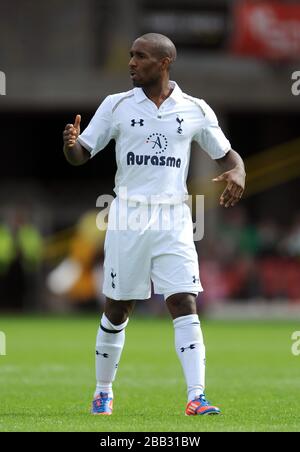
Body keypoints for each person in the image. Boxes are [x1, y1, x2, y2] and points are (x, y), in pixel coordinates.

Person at [62, 33, 246, 416]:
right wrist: (71, 144)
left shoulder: (194, 108)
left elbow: (228, 156)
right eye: (130, 55)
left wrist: (238, 173)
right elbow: (81, 154)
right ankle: (103, 390)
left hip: (175, 216)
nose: (131, 62)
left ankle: (197, 396)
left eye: (140, 56)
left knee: (184, 299)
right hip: (128, 215)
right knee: (118, 308)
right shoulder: (116, 106)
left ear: (164, 63)